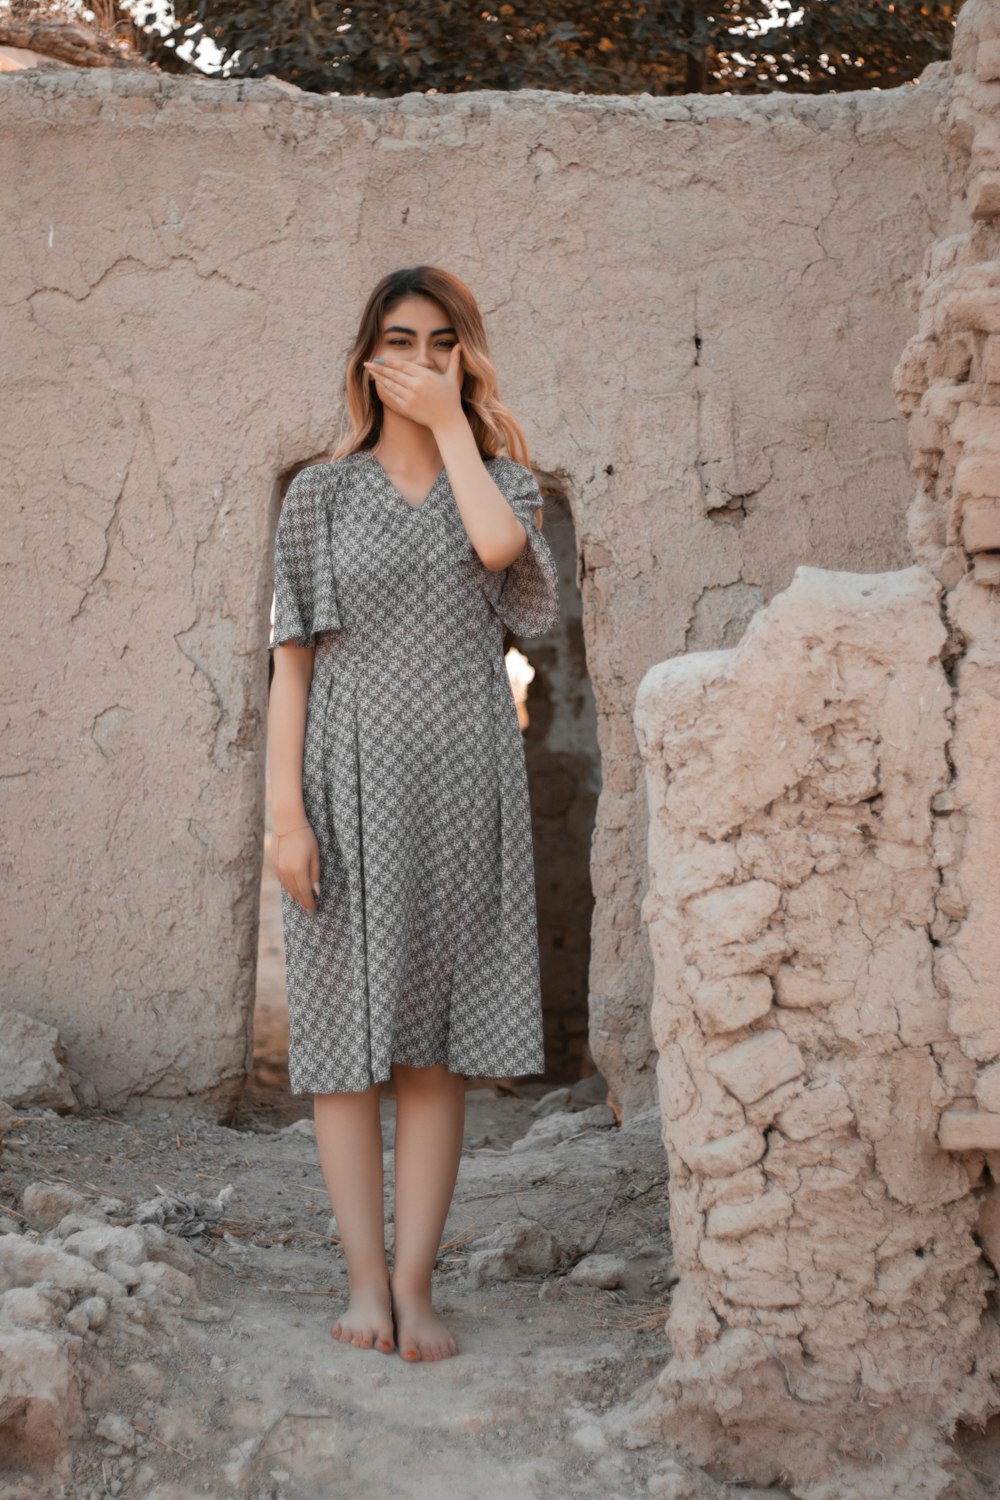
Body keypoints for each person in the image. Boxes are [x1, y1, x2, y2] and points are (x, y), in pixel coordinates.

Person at [266, 265, 560, 1363]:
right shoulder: (319, 495)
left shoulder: (505, 484)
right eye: (400, 340)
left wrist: (451, 433)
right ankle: (361, 1284)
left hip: (462, 786)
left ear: (462, 357)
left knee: (432, 1050)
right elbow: (290, 665)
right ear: (365, 358)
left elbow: (496, 555)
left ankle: (416, 1282)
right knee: (344, 1045)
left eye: (443, 343)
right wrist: (284, 816)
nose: (421, 361)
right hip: (342, 782)